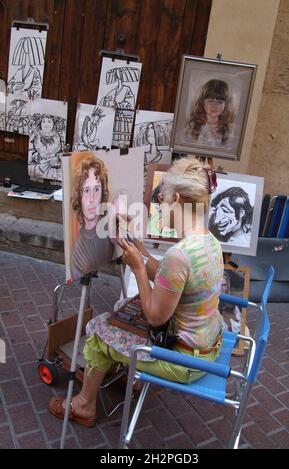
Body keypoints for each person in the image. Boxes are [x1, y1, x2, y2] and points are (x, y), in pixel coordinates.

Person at [48, 156, 224, 427]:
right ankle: (120, 371)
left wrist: (139, 271)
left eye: (162, 201)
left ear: (176, 199)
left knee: (97, 332)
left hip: (183, 361)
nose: (160, 207)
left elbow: (154, 316)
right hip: (207, 347)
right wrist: (139, 250)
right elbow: (171, 280)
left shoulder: (180, 255)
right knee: (118, 321)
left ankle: (83, 405)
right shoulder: (209, 241)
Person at [70, 156, 115, 279]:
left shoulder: (110, 224)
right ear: (78, 196)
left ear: (103, 192)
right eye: (86, 190)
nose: (91, 199)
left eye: (96, 189)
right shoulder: (78, 250)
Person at [184, 79, 235, 148]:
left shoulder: (228, 130)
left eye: (220, 102)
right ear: (202, 102)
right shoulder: (192, 126)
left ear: (226, 105)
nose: (214, 106)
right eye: (210, 101)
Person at [29, 114, 65, 180]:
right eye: (43, 121)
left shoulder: (59, 137)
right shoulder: (35, 136)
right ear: (40, 123)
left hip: (54, 169)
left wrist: (57, 158)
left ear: (53, 123)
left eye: (49, 121)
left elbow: (64, 152)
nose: (46, 124)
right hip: (38, 167)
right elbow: (31, 151)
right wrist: (37, 156)